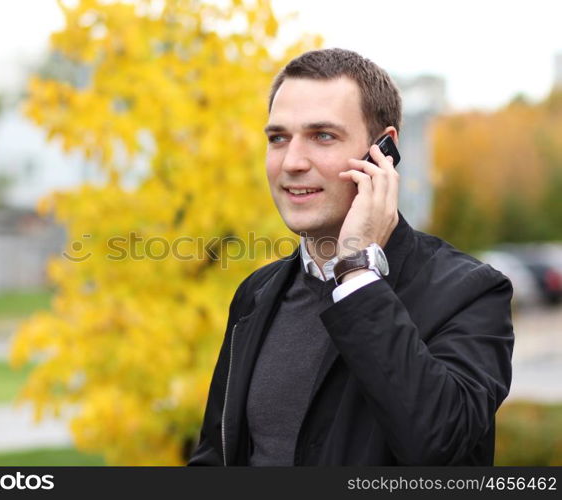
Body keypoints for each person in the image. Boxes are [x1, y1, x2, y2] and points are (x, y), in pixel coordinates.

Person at [188, 48, 514, 466]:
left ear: (384, 152)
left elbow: (438, 446)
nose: (292, 162)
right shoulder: (256, 294)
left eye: (323, 136)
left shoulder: (469, 292)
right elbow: (216, 456)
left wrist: (357, 272)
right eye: (278, 138)